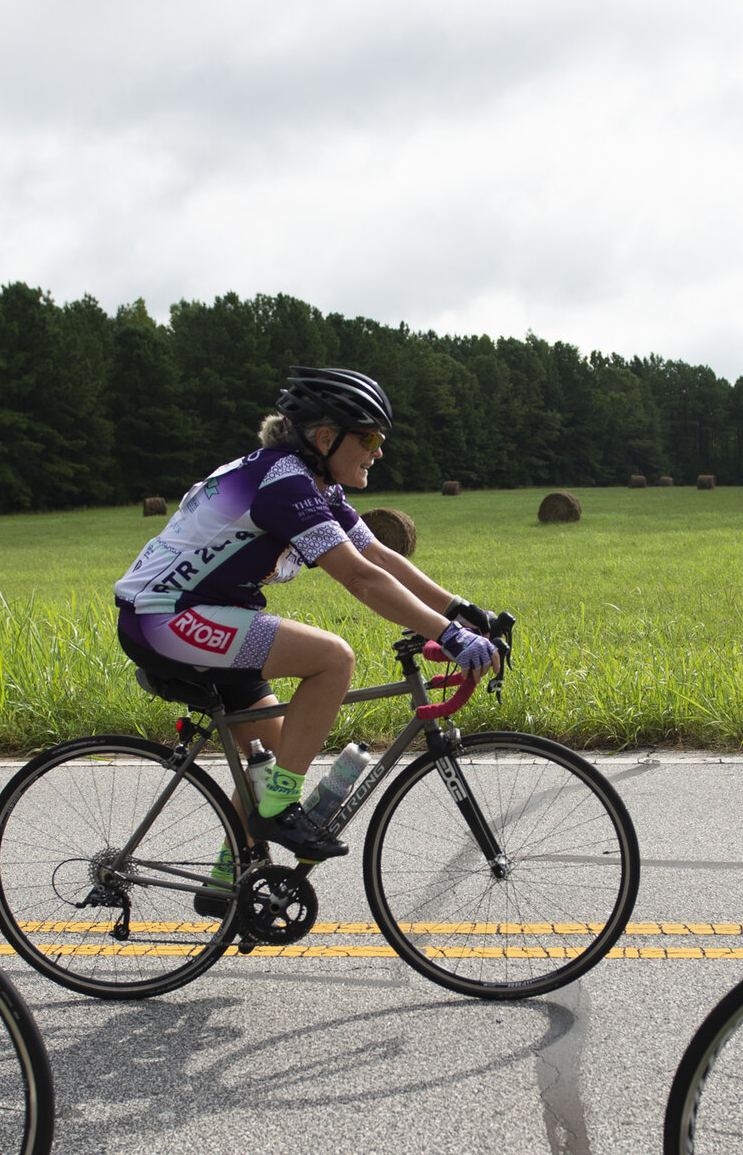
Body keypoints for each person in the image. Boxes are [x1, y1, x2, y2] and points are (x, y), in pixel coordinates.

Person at [113, 367, 502, 900]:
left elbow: (379, 555)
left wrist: (462, 611)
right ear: (326, 437)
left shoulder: (314, 483)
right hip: (164, 618)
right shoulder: (285, 483)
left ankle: (230, 879)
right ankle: (279, 811)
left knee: (271, 756)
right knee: (332, 659)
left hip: (203, 613)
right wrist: (450, 637)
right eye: (369, 438)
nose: (378, 451)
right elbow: (360, 578)